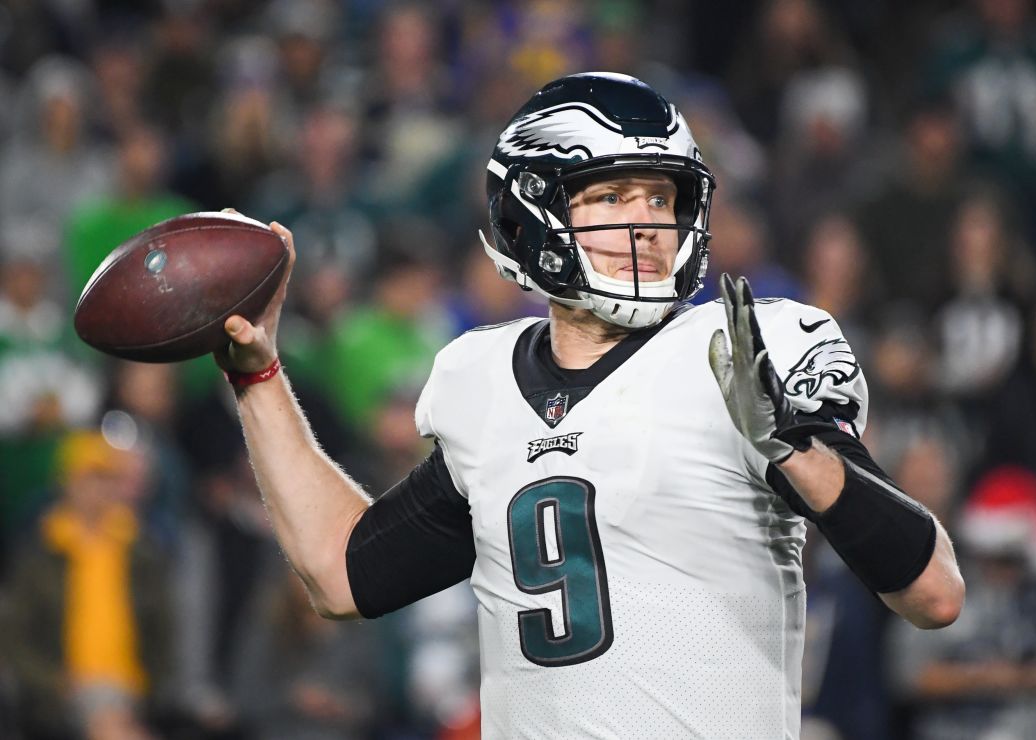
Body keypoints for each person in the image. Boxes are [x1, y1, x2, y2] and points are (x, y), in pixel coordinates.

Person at [215, 72, 964, 739]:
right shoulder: (481, 384)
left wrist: (797, 451)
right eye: (610, 196)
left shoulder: (747, 347)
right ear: (530, 212)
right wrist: (259, 375)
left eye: (661, 198)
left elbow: (933, 593)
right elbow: (341, 575)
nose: (644, 225)